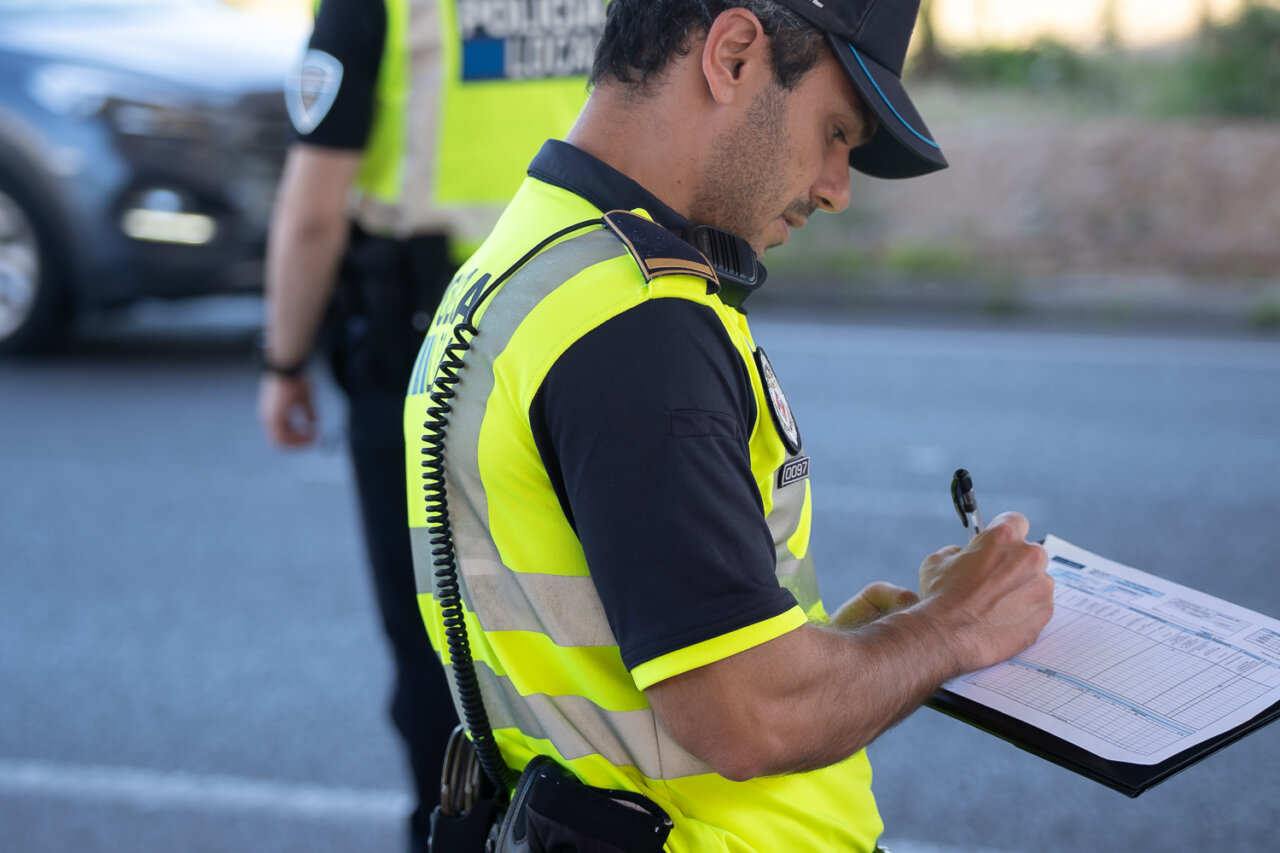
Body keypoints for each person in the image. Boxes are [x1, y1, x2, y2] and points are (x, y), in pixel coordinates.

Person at [404, 1, 1055, 851]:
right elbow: (743, 716)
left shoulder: (530, 262)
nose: (836, 188)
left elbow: (614, 652)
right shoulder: (636, 325)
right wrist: (954, 626)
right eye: (834, 132)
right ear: (736, 54)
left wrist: (852, 646)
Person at [256, 1, 599, 850]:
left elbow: (312, 210)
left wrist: (284, 362)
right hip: (588, 326)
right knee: (585, 644)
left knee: (440, 659)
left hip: (431, 350)